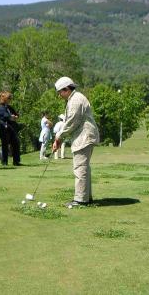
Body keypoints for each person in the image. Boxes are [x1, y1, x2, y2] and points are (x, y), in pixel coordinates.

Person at [52, 76, 99, 207]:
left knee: (80, 168)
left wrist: (59, 137)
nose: (59, 95)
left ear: (66, 89)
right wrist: (60, 138)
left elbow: (71, 122)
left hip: (84, 137)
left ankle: (80, 200)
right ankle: (86, 198)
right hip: (83, 136)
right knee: (84, 168)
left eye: (60, 92)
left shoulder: (75, 100)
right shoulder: (75, 98)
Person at [0, 91, 21, 166]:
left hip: (12, 129)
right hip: (4, 129)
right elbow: (7, 116)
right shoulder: (1, 108)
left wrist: (14, 117)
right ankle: (4, 162)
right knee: (5, 145)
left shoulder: (9, 107)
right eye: (9, 98)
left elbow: (16, 115)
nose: (10, 99)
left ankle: (16, 161)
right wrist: (12, 117)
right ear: (4, 99)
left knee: (16, 143)